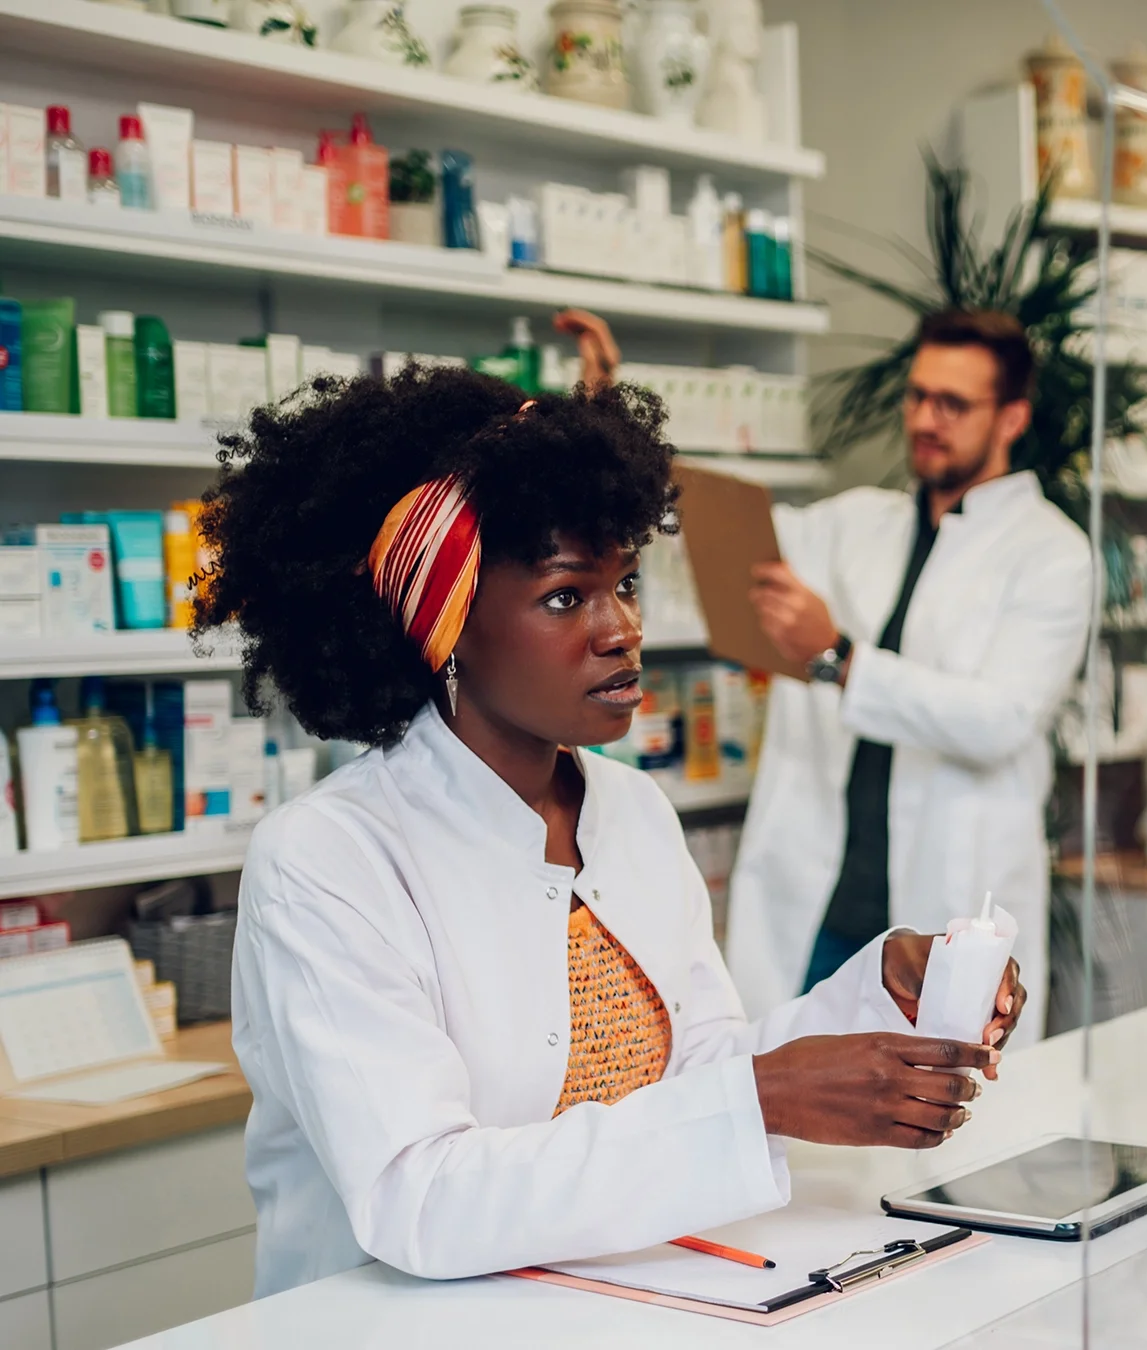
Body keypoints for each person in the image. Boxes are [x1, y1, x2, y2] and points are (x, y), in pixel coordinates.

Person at [203, 311, 1026, 1299]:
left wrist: (876, 996)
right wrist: (760, 1100)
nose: (622, 629)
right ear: (444, 626)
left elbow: (701, 1064)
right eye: (566, 597)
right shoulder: (331, 860)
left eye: (626, 583)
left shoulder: (631, 813)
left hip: (611, 1307)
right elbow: (419, 1195)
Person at [724, 309, 1092, 1035]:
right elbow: (730, 531)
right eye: (918, 396)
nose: (927, 418)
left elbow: (1000, 721)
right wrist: (608, 415)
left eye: (953, 404)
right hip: (821, 907)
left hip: (937, 922)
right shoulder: (858, 523)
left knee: (933, 1136)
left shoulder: (1052, 552)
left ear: (1012, 417)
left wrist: (839, 659)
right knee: (789, 1125)